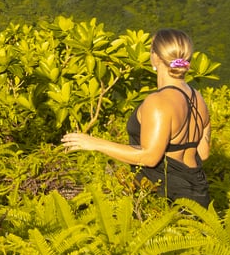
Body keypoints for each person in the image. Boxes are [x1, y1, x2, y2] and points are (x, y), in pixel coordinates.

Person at [60, 28, 213, 208]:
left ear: (155, 57)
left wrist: (94, 143)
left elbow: (149, 158)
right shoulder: (198, 97)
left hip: (167, 202)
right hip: (200, 198)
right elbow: (203, 153)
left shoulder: (158, 102)